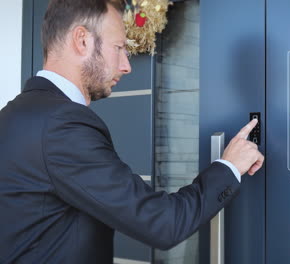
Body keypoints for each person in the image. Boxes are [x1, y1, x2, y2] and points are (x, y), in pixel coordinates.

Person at [0, 0, 264, 263]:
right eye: (119, 48)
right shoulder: (62, 124)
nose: (126, 65)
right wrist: (229, 166)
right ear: (82, 40)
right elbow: (163, 223)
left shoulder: (13, 115)